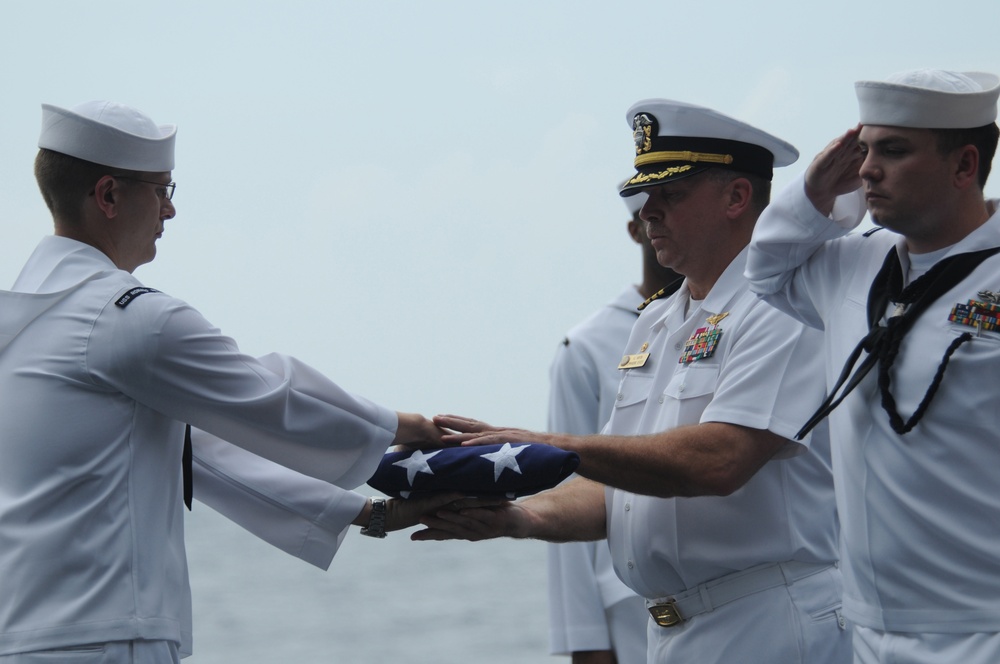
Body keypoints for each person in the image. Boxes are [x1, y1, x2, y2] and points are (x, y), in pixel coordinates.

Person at [0, 100, 471, 663]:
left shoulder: (22, 321)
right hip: (105, 639)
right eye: (162, 189)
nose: (170, 211)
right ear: (109, 195)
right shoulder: (126, 319)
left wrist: (371, 513)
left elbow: (195, 451)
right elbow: (269, 397)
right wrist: (405, 426)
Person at [416, 99, 850, 663]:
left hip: (772, 619)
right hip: (676, 630)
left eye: (671, 194)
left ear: (737, 198)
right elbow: (615, 485)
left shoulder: (782, 307)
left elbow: (718, 460)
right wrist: (520, 518)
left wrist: (544, 443)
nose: (649, 213)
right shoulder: (657, 320)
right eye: (645, 197)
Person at [745, 69, 1000, 664]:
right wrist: (811, 193)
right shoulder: (852, 267)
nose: (866, 170)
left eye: (893, 151)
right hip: (868, 631)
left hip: (984, 624)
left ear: (965, 166)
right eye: (863, 152)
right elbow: (765, 269)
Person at [546, 187, 679, 664]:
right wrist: (586, 642)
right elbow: (562, 487)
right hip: (630, 613)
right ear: (634, 228)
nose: (666, 222)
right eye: (652, 213)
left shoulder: (734, 321)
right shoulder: (586, 348)